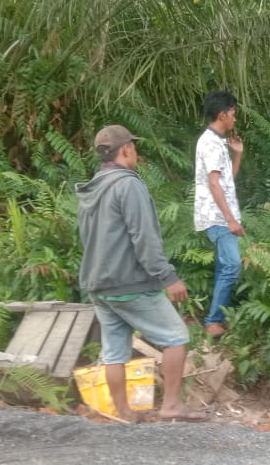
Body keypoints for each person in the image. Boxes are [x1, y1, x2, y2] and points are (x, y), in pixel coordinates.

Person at [77, 124, 208, 423]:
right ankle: (171, 405)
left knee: (114, 352)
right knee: (175, 336)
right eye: (134, 148)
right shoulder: (128, 185)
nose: (136, 153)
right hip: (129, 282)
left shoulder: (93, 188)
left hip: (98, 284)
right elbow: (144, 238)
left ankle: (124, 412)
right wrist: (167, 277)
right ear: (125, 150)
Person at [194, 90, 244, 337]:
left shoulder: (217, 142)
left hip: (221, 214)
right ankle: (213, 321)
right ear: (222, 114)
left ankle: (218, 318)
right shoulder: (211, 143)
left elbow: (226, 183)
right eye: (233, 113)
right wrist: (230, 219)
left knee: (225, 266)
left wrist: (237, 154)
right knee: (233, 265)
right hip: (218, 217)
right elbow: (214, 184)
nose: (235, 118)